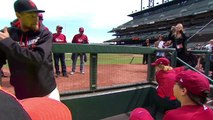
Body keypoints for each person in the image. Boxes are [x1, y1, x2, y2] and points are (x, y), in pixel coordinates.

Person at [0, 0, 60, 101]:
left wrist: (9, 44)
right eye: (30, 15)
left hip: (47, 93)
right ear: (18, 15)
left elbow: (38, 58)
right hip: (22, 94)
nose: (35, 18)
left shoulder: (45, 34)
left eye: (36, 14)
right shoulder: (8, 34)